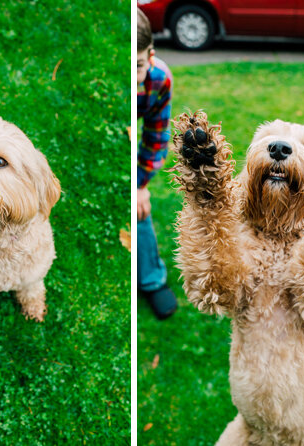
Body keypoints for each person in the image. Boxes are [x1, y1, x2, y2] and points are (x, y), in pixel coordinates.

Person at [135, 9, 176, 319]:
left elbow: (156, 140)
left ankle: (151, 280)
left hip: (135, 145)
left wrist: (139, 185)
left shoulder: (159, 80)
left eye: (136, 65)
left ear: (150, 56)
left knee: (139, 210)